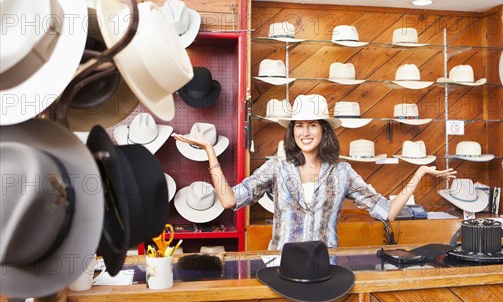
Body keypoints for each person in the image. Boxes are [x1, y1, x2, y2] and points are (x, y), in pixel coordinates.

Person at [172, 94, 456, 250]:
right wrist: (210, 152)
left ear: (324, 130)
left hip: (326, 264)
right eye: (298, 125)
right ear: (292, 131)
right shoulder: (276, 167)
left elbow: (388, 212)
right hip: (280, 264)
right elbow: (229, 201)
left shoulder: (343, 173)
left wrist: (418, 174)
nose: (305, 132)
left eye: (312, 125)